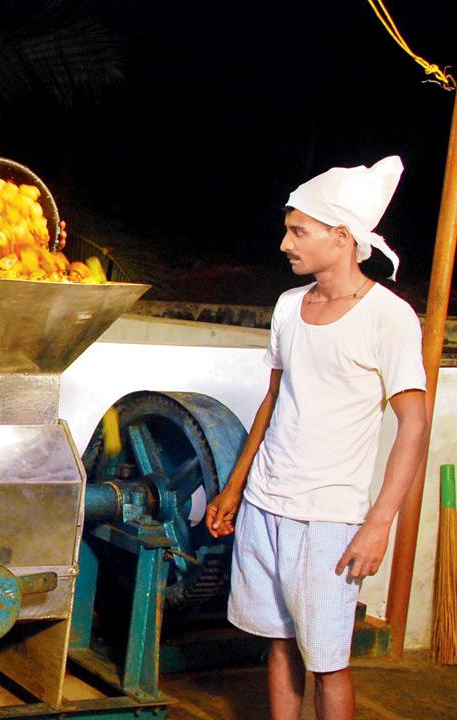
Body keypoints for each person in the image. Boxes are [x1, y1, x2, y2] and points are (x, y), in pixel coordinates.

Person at [205, 156, 429, 720]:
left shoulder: (389, 316)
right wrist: (235, 488)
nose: (285, 242)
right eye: (288, 228)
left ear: (343, 237)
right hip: (265, 504)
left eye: (298, 230)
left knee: (327, 660)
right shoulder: (288, 307)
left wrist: (378, 526)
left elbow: (415, 423)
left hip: (329, 517)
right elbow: (274, 400)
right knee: (278, 643)